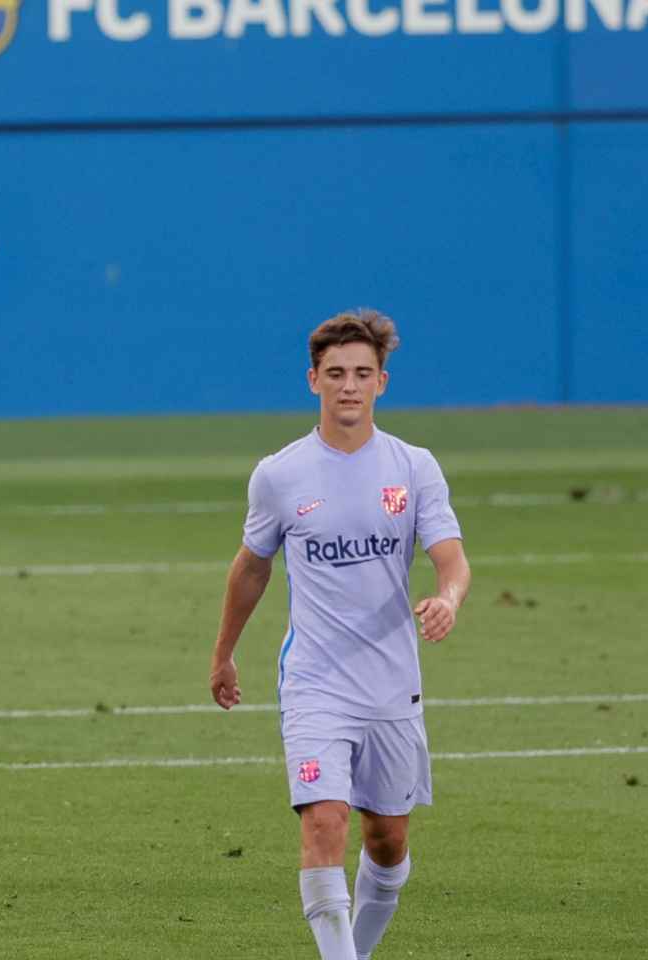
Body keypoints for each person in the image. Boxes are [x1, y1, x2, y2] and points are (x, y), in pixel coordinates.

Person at [208, 310, 470, 960]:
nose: (348, 386)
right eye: (335, 374)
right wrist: (224, 654)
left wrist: (448, 598)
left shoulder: (413, 468)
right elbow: (251, 566)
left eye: (361, 374)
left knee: (387, 842)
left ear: (382, 382)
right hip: (315, 683)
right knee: (326, 822)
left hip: (391, 686)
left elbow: (451, 558)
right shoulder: (280, 474)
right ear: (312, 380)